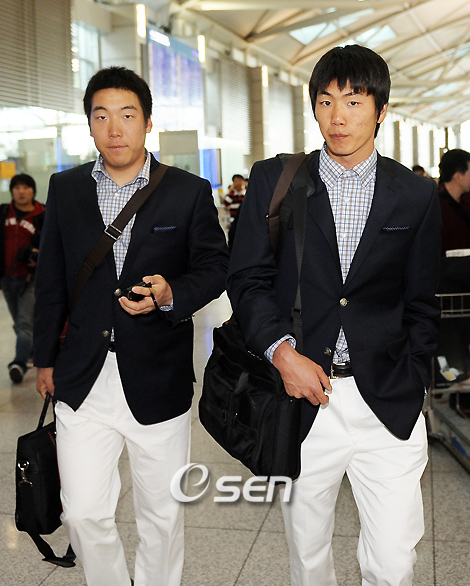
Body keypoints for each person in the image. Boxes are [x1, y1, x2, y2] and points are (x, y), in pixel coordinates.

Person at [227, 45, 441, 585]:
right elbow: (247, 279)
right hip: (301, 396)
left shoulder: (415, 195)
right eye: (325, 102)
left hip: (386, 398)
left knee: (393, 562)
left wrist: (415, 377)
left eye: (353, 101)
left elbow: (422, 301)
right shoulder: (277, 180)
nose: (338, 117)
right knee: (308, 555)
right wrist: (282, 355)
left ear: (381, 110)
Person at [34, 66, 228, 586]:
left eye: (127, 115)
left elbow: (215, 267)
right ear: (89, 125)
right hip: (83, 376)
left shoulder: (187, 191)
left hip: (157, 375)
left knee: (161, 517)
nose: (114, 128)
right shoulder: (67, 189)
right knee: (83, 514)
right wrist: (44, 359)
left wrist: (170, 294)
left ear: (147, 123)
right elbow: (50, 280)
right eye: (102, 116)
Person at [0, 173, 45, 383]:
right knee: (19, 322)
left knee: (24, 323)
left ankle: (18, 363)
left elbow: (52, 243)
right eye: (17, 188)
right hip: (7, 278)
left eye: (26, 187)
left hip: (32, 278)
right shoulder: (3, 213)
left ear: (33, 191)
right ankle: (32, 351)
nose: (21, 192)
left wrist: (37, 255)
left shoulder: (42, 215)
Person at [434, 149, 470, 411]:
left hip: (463, 286)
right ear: (458, 175)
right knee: (449, 338)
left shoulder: (466, 203)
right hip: (447, 285)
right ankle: (450, 379)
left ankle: (461, 390)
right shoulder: (436, 206)